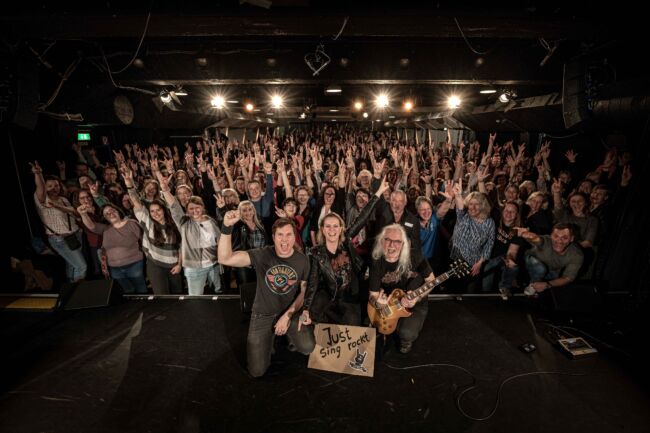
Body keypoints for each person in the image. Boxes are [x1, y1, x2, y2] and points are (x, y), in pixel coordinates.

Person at [298, 177, 390, 345]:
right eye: (328, 226)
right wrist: (305, 309)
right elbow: (312, 283)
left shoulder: (346, 240)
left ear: (341, 228)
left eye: (335, 226)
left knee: (353, 327)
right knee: (317, 319)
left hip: (352, 294)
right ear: (323, 230)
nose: (332, 230)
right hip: (332, 294)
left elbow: (362, 217)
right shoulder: (316, 253)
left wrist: (377, 193)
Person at [218, 215, 311, 378]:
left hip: (290, 313)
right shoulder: (262, 254)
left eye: (289, 234)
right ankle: (270, 340)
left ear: (294, 236)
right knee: (256, 371)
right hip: (263, 314)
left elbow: (304, 292)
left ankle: (287, 335)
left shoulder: (302, 260)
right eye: (280, 235)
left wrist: (288, 315)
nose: (284, 240)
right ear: (273, 237)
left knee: (307, 347)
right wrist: (226, 228)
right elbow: (225, 258)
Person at [368, 224, 435, 354]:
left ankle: (405, 340)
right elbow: (373, 294)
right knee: (369, 323)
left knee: (406, 333)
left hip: (414, 303)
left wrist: (418, 297)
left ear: (404, 244)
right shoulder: (376, 261)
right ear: (381, 241)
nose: (391, 245)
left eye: (397, 241)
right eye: (387, 240)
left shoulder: (415, 256)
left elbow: (431, 280)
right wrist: (378, 303)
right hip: (391, 303)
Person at [123, 167, 183, 294]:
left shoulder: (174, 223)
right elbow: (136, 202)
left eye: (158, 210)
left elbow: (182, 246)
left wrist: (179, 265)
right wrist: (130, 185)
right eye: (152, 211)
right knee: (161, 296)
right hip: (155, 265)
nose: (155, 213)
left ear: (164, 210)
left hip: (174, 265)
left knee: (177, 295)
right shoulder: (147, 221)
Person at [30, 161, 87, 282]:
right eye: (49, 186)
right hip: (61, 239)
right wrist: (39, 174)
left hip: (75, 236)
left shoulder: (62, 199)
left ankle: (71, 291)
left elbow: (73, 213)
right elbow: (40, 188)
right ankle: (79, 294)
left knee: (72, 265)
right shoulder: (43, 201)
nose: (54, 188)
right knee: (81, 266)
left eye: (56, 185)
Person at [79, 203, 147, 294]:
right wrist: (83, 214)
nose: (110, 213)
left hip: (134, 265)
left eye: (112, 210)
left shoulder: (131, 224)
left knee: (141, 290)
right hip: (114, 269)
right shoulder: (105, 229)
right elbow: (92, 226)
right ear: (105, 218)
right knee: (127, 291)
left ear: (118, 211)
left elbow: (144, 241)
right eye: (107, 213)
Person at [507, 223, 584, 296]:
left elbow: (568, 278)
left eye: (564, 238)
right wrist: (524, 233)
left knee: (554, 278)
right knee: (540, 268)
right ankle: (531, 284)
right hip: (529, 262)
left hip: (551, 270)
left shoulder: (576, 254)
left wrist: (548, 284)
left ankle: (536, 285)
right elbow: (536, 238)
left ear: (571, 239)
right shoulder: (546, 241)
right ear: (551, 236)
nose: (559, 241)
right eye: (556, 236)